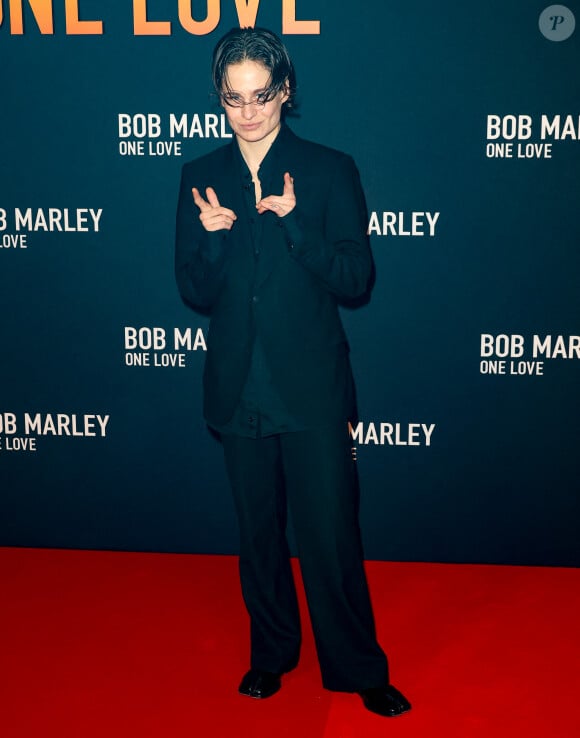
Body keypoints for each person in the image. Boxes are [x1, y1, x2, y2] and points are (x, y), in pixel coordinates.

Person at [175, 27, 411, 718]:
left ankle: (356, 666)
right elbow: (193, 289)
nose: (248, 112)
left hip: (308, 384)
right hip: (237, 384)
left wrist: (298, 227)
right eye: (232, 98)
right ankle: (271, 653)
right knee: (258, 532)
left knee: (330, 531)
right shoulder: (199, 176)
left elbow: (357, 278)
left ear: (285, 91)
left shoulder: (329, 170)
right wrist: (217, 241)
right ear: (220, 99)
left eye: (261, 95)